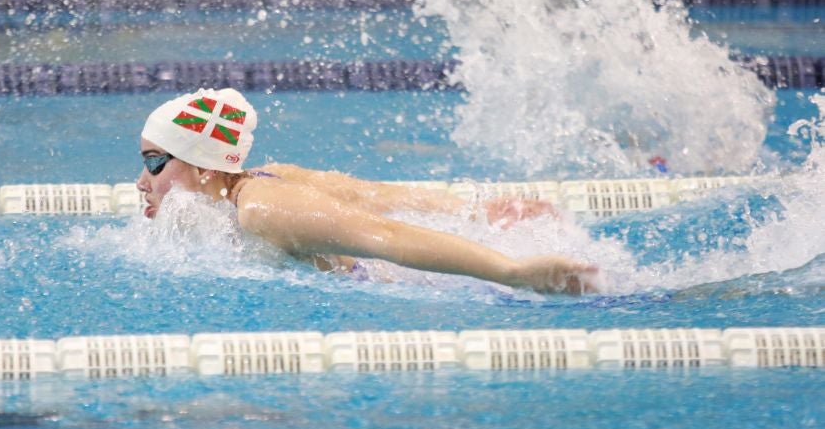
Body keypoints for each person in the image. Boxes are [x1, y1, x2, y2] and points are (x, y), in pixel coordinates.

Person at [136, 88, 600, 294]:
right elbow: (372, 194)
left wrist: (513, 271)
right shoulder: (268, 177)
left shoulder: (264, 208)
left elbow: (386, 235)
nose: (142, 183)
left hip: (439, 285)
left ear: (203, 169)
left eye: (155, 163)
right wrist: (477, 211)